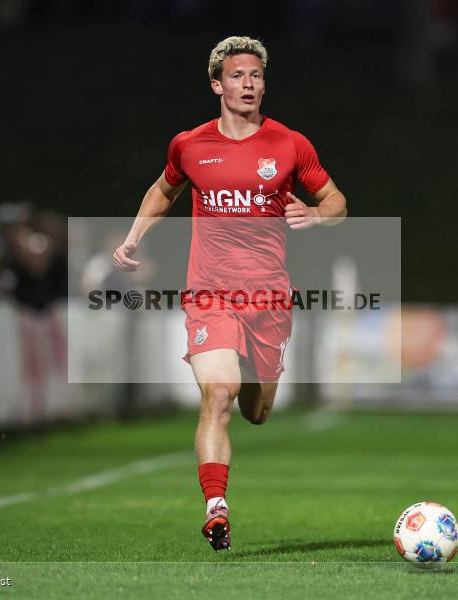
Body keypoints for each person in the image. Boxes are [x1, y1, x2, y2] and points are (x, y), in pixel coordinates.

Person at [113, 36, 347, 551]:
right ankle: (215, 507)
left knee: (256, 412)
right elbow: (163, 190)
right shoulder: (189, 145)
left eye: (257, 77)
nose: (250, 85)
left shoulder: (290, 144)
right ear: (217, 84)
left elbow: (337, 202)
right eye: (239, 76)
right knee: (217, 395)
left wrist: (313, 214)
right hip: (210, 294)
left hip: (268, 300)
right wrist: (133, 237)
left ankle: (247, 368)